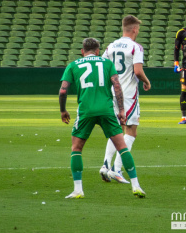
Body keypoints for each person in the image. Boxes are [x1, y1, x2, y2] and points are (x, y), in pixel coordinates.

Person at [59, 37, 145, 199]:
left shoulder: (73, 65)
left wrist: (63, 110)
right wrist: (121, 110)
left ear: (82, 51)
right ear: (98, 51)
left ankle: (78, 190)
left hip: (85, 111)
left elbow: (63, 90)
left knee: (76, 148)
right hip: (106, 109)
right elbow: (117, 86)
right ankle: (136, 186)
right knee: (122, 147)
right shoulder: (107, 64)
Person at [99, 15, 151, 184]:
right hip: (128, 93)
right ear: (135, 29)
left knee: (116, 130)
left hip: (112, 92)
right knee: (131, 130)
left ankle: (105, 166)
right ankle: (116, 169)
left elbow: (104, 67)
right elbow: (137, 71)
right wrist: (146, 81)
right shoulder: (136, 47)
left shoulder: (111, 46)